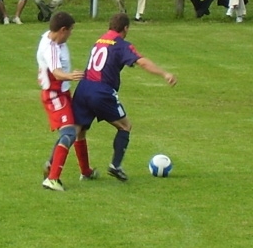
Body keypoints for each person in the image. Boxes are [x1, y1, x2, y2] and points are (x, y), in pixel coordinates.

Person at [72, 13, 177, 181]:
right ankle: (116, 165)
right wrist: (164, 73)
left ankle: (80, 170)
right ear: (126, 28)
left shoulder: (99, 41)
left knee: (77, 132)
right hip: (102, 92)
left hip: (83, 88)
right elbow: (142, 62)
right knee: (125, 126)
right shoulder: (121, 45)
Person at [37, 11, 99, 191]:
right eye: (70, 31)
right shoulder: (51, 48)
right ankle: (52, 178)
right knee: (69, 133)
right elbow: (56, 72)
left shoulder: (53, 40)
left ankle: (85, 171)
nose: (71, 34)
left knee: (80, 128)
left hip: (63, 93)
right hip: (54, 95)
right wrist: (70, 76)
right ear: (62, 30)